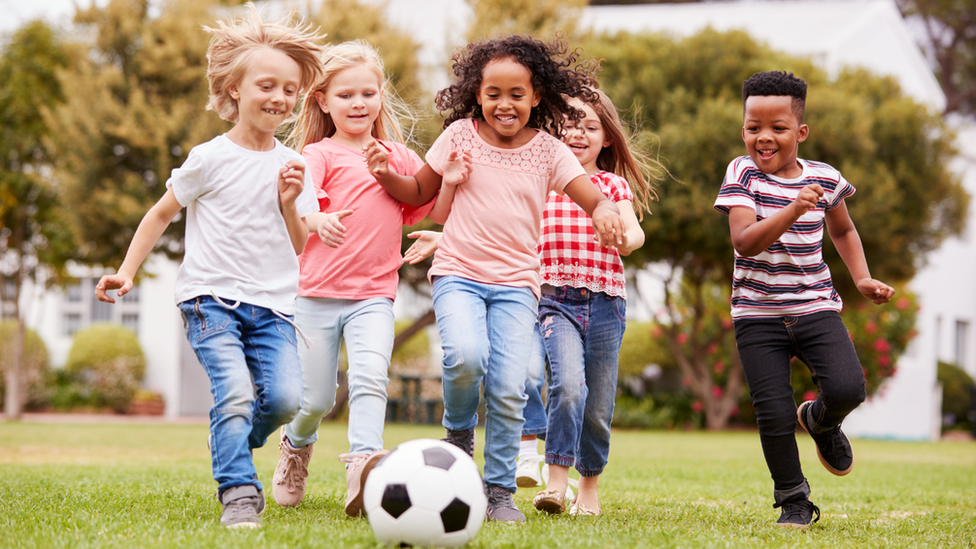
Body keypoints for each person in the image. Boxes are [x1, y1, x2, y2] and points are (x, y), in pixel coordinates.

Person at [94, 4, 325, 529]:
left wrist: (290, 202)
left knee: (286, 399)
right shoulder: (208, 158)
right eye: (267, 85)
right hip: (210, 301)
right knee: (236, 393)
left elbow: (298, 245)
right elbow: (159, 214)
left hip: (273, 307)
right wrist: (127, 271)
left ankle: (230, 439)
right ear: (235, 90)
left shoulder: (294, 166)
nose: (280, 98)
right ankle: (239, 491)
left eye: (290, 90)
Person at [380, 35, 624, 523]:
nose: (505, 104)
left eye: (517, 94)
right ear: (477, 94)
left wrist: (604, 209)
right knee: (465, 357)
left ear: (537, 96)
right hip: (458, 272)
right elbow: (419, 193)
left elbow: (589, 193)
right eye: (494, 94)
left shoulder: (549, 151)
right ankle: (458, 436)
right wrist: (385, 174)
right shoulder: (458, 137)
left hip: (517, 285)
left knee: (511, 385)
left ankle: (497, 491)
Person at [406, 88, 659, 517]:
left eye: (590, 126)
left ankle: (585, 486)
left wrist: (623, 237)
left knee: (596, 404)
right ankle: (548, 476)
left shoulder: (609, 185)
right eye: (569, 125)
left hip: (604, 301)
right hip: (550, 295)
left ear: (608, 137)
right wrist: (447, 236)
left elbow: (633, 232)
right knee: (559, 385)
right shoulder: (542, 172)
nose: (578, 134)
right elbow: (499, 225)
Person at [713, 70, 894, 528]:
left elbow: (844, 229)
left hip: (815, 307)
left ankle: (820, 420)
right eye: (754, 127)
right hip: (757, 314)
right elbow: (745, 242)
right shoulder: (742, 173)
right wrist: (794, 208)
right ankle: (794, 501)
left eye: (778, 128)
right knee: (772, 412)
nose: (764, 137)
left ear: (801, 131)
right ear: (743, 130)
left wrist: (862, 277)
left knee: (848, 388)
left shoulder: (825, 177)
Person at [269, 40, 437, 517]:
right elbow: (301, 198)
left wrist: (455, 174)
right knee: (316, 397)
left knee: (369, 378)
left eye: (368, 93)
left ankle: (364, 468)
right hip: (315, 296)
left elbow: (423, 203)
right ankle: (296, 448)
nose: (358, 103)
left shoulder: (398, 157)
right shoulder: (318, 153)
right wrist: (316, 219)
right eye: (346, 95)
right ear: (323, 100)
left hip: (373, 297)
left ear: (380, 95)